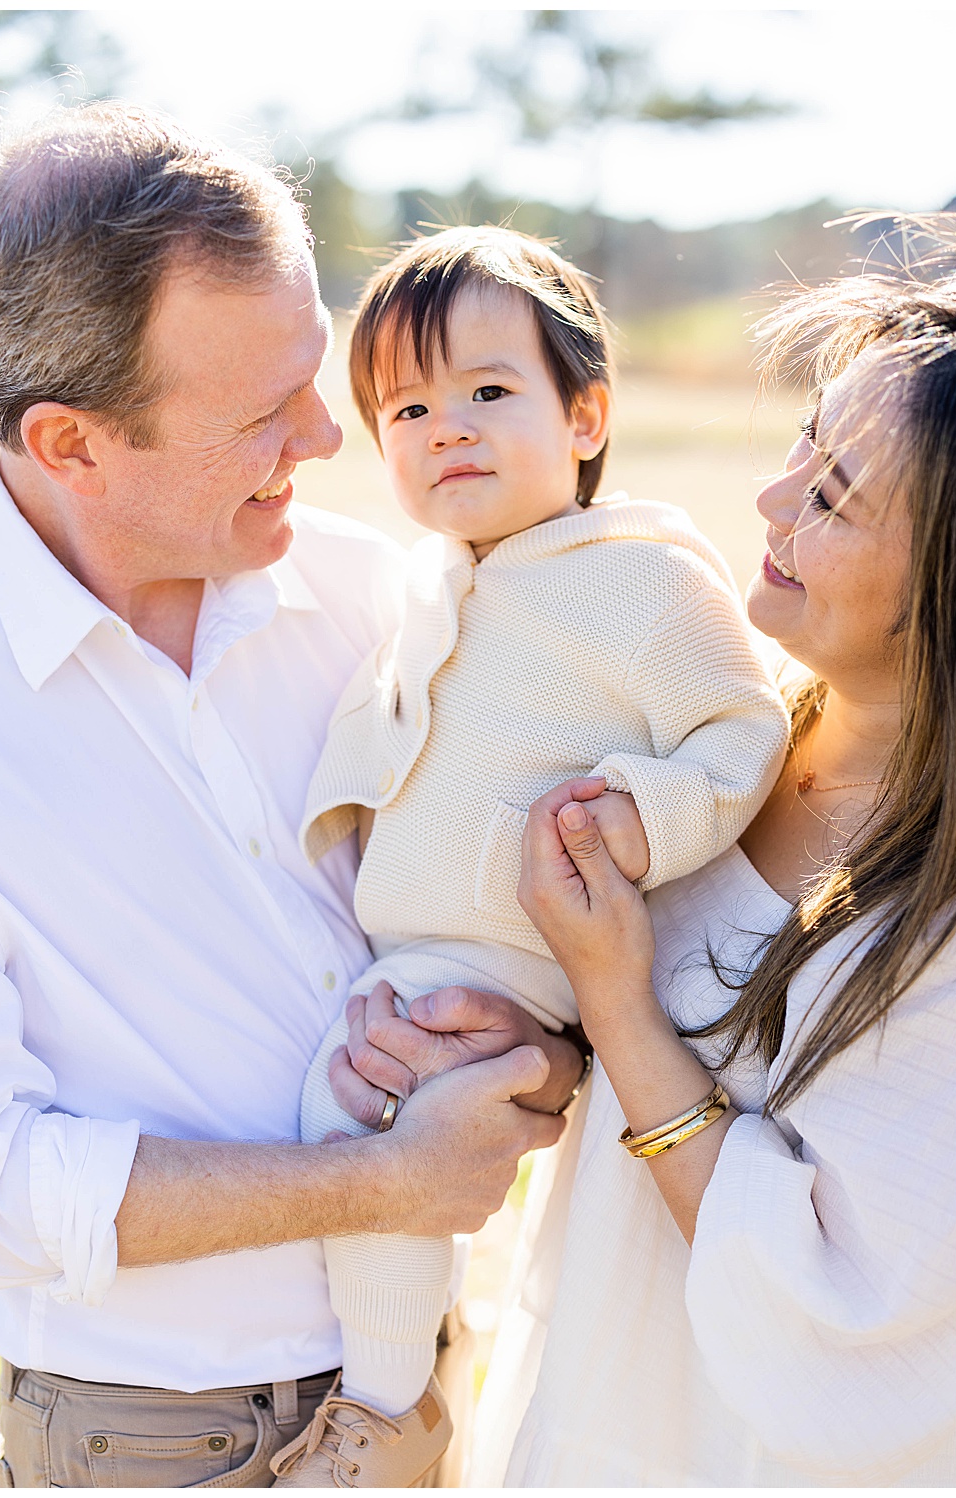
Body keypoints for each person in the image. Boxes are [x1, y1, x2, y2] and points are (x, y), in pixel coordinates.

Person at [0, 102, 577, 1489]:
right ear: (70, 444)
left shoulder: (393, 600)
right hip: (152, 1443)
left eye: (315, 373)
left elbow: (550, 976)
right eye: (263, 411)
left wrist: (526, 1044)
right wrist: (375, 1183)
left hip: (429, 1392)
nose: (327, 434)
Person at [339, 243, 956, 1484]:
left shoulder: (941, 908)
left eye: (832, 496)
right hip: (584, 1408)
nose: (770, 503)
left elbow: (844, 1312)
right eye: (799, 446)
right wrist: (524, 1040)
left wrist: (613, 999)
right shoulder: (704, 738)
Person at [279, 227, 788, 1484]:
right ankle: (403, 1365)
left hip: (516, 963)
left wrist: (638, 809)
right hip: (408, 952)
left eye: (487, 392)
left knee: (401, 1141)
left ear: (584, 415)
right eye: (405, 406)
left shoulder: (638, 580)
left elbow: (741, 724)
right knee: (329, 1120)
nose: (445, 425)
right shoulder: (432, 578)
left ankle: (386, 1414)